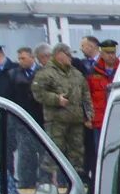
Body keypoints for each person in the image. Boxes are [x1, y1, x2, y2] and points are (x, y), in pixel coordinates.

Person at [30, 44, 91, 175]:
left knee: (77, 153)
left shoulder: (76, 73)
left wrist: (89, 115)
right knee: (54, 152)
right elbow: (38, 92)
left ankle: (76, 180)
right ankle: (51, 181)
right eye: (68, 54)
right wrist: (56, 99)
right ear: (59, 55)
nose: (70, 57)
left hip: (76, 120)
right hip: (56, 121)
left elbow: (85, 94)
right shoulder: (45, 73)